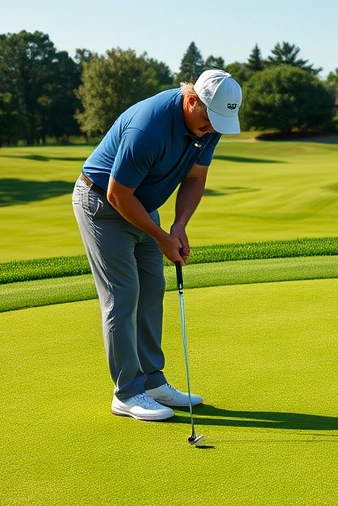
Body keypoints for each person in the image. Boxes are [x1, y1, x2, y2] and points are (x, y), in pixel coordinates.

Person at [72, 70, 242, 421]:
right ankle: (127, 393)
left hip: (142, 205)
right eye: (210, 119)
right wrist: (162, 237)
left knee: (152, 289)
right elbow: (118, 194)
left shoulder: (209, 125)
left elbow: (195, 178)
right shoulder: (148, 127)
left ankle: (152, 382)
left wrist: (178, 226)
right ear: (192, 100)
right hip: (102, 205)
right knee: (123, 294)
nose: (213, 128)